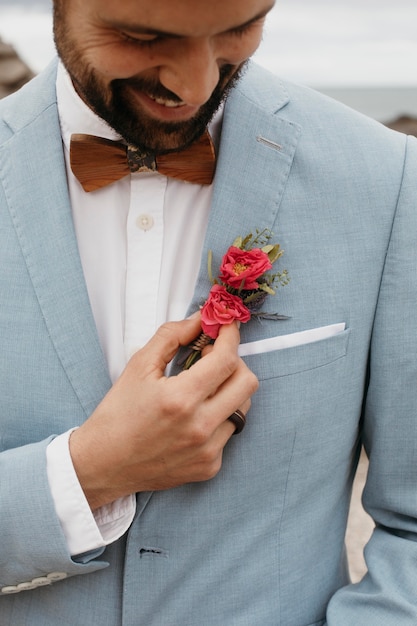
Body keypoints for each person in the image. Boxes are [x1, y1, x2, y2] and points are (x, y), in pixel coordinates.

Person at [1, 0, 417, 623]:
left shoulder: (389, 179)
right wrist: (87, 475)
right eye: (143, 36)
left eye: (237, 30)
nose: (194, 86)